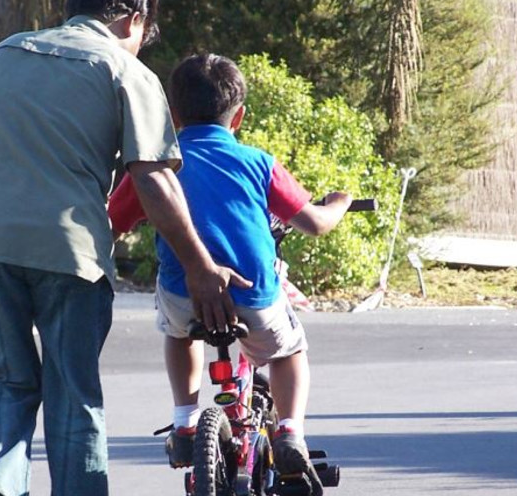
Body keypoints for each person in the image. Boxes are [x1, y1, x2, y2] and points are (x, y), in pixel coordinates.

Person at [0, 2, 250, 495]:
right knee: (73, 392)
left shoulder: (0, 56)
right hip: (71, 254)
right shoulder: (123, 69)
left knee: (2, 383)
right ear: (133, 17)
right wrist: (200, 265)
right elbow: (153, 179)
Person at [108, 53, 352, 488]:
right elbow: (313, 223)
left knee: (178, 332)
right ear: (238, 116)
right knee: (289, 351)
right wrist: (339, 203)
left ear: (174, 113)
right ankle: (290, 430)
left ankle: (185, 421)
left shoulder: (155, 166)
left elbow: (113, 222)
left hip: (185, 288)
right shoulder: (258, 162)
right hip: (252, 292)